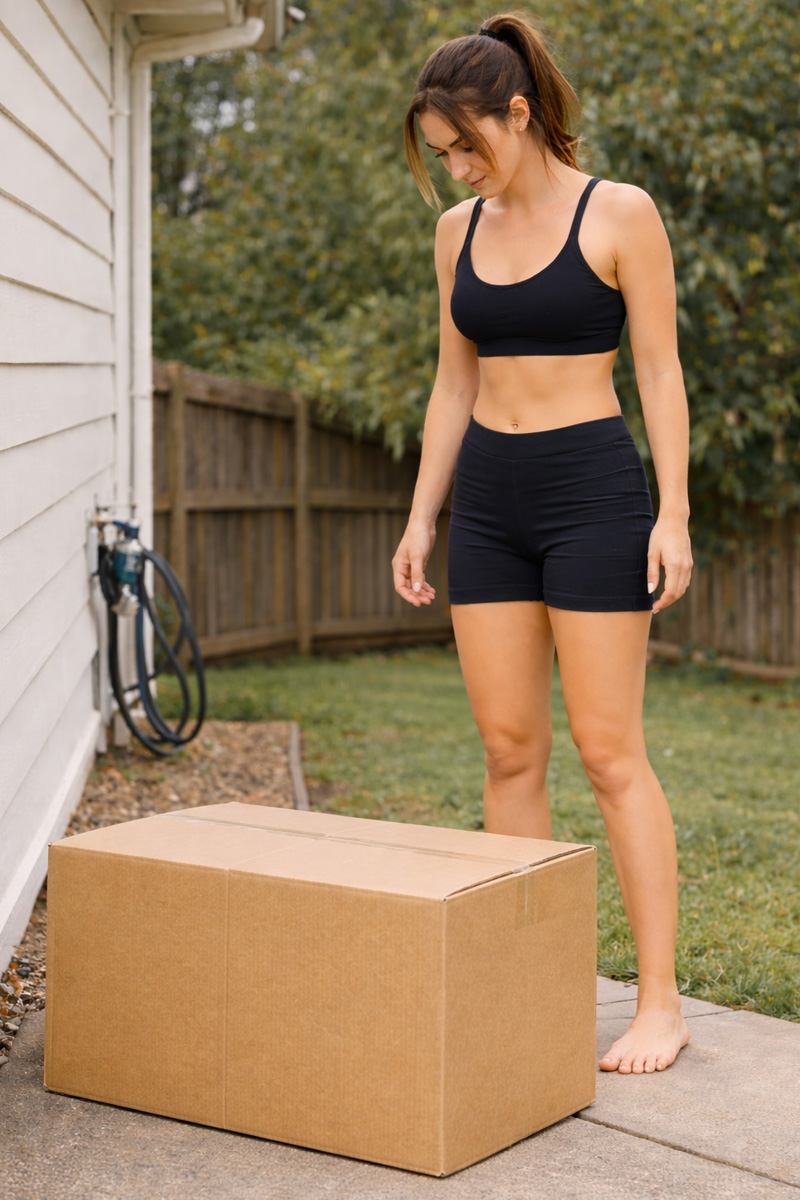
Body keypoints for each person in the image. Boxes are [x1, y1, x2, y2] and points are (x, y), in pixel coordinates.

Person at [392, 12, 693, 1075]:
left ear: (518, 114)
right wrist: (423, 512)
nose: (458, 168)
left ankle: (657, 1001)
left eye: (467, 145)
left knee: (609, 755)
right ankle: (520, 987)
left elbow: (656, 371)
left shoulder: (619, 215)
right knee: (509, 752)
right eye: (442, 154)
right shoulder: (454, 235)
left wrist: (672, 513)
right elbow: (452, 381)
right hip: (487, 501)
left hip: (590, 494)